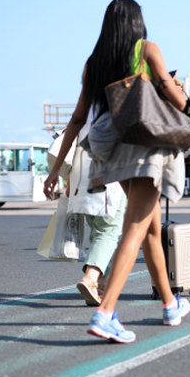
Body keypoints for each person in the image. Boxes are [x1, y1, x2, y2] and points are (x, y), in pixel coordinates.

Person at [43, 0, 190, 344]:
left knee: (151, 228)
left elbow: (78, 119)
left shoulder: (94, 63)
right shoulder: (147, 50)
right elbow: (178, 102)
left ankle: (170, 304)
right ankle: (105, 313)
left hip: (111, 149)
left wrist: (57, 171)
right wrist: (180, 89)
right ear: (137, 22)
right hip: (144, 146)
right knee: (136, 228)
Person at [66, 126, 126, 306]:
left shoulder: (86, 111)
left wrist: (64, 176)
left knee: (98, 232)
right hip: (108, 176)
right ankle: (90, 278)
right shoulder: (118, 106)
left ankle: (101, 285)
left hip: (81, 177)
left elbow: (71, 136)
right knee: (109, 230)